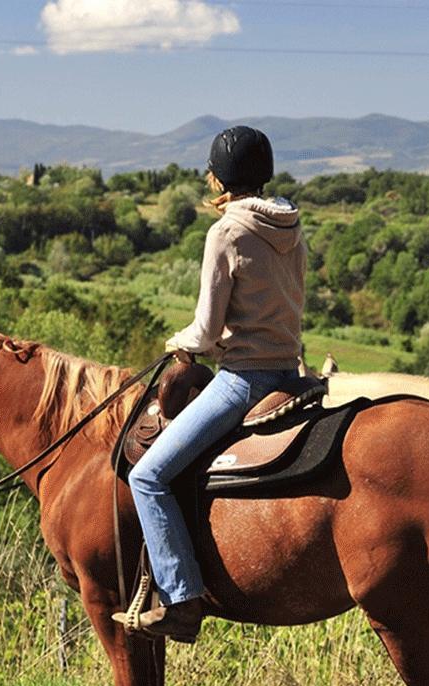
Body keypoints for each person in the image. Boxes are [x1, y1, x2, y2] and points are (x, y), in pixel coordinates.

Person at [121, 126, 307, 642]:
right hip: (290, 373)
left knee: (149, 478)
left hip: (243, 380)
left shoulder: (225, 231)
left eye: (210, 169)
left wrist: (176, 343)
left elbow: (205, 330)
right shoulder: (291, 225)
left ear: (220, 176)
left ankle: (181, 599)